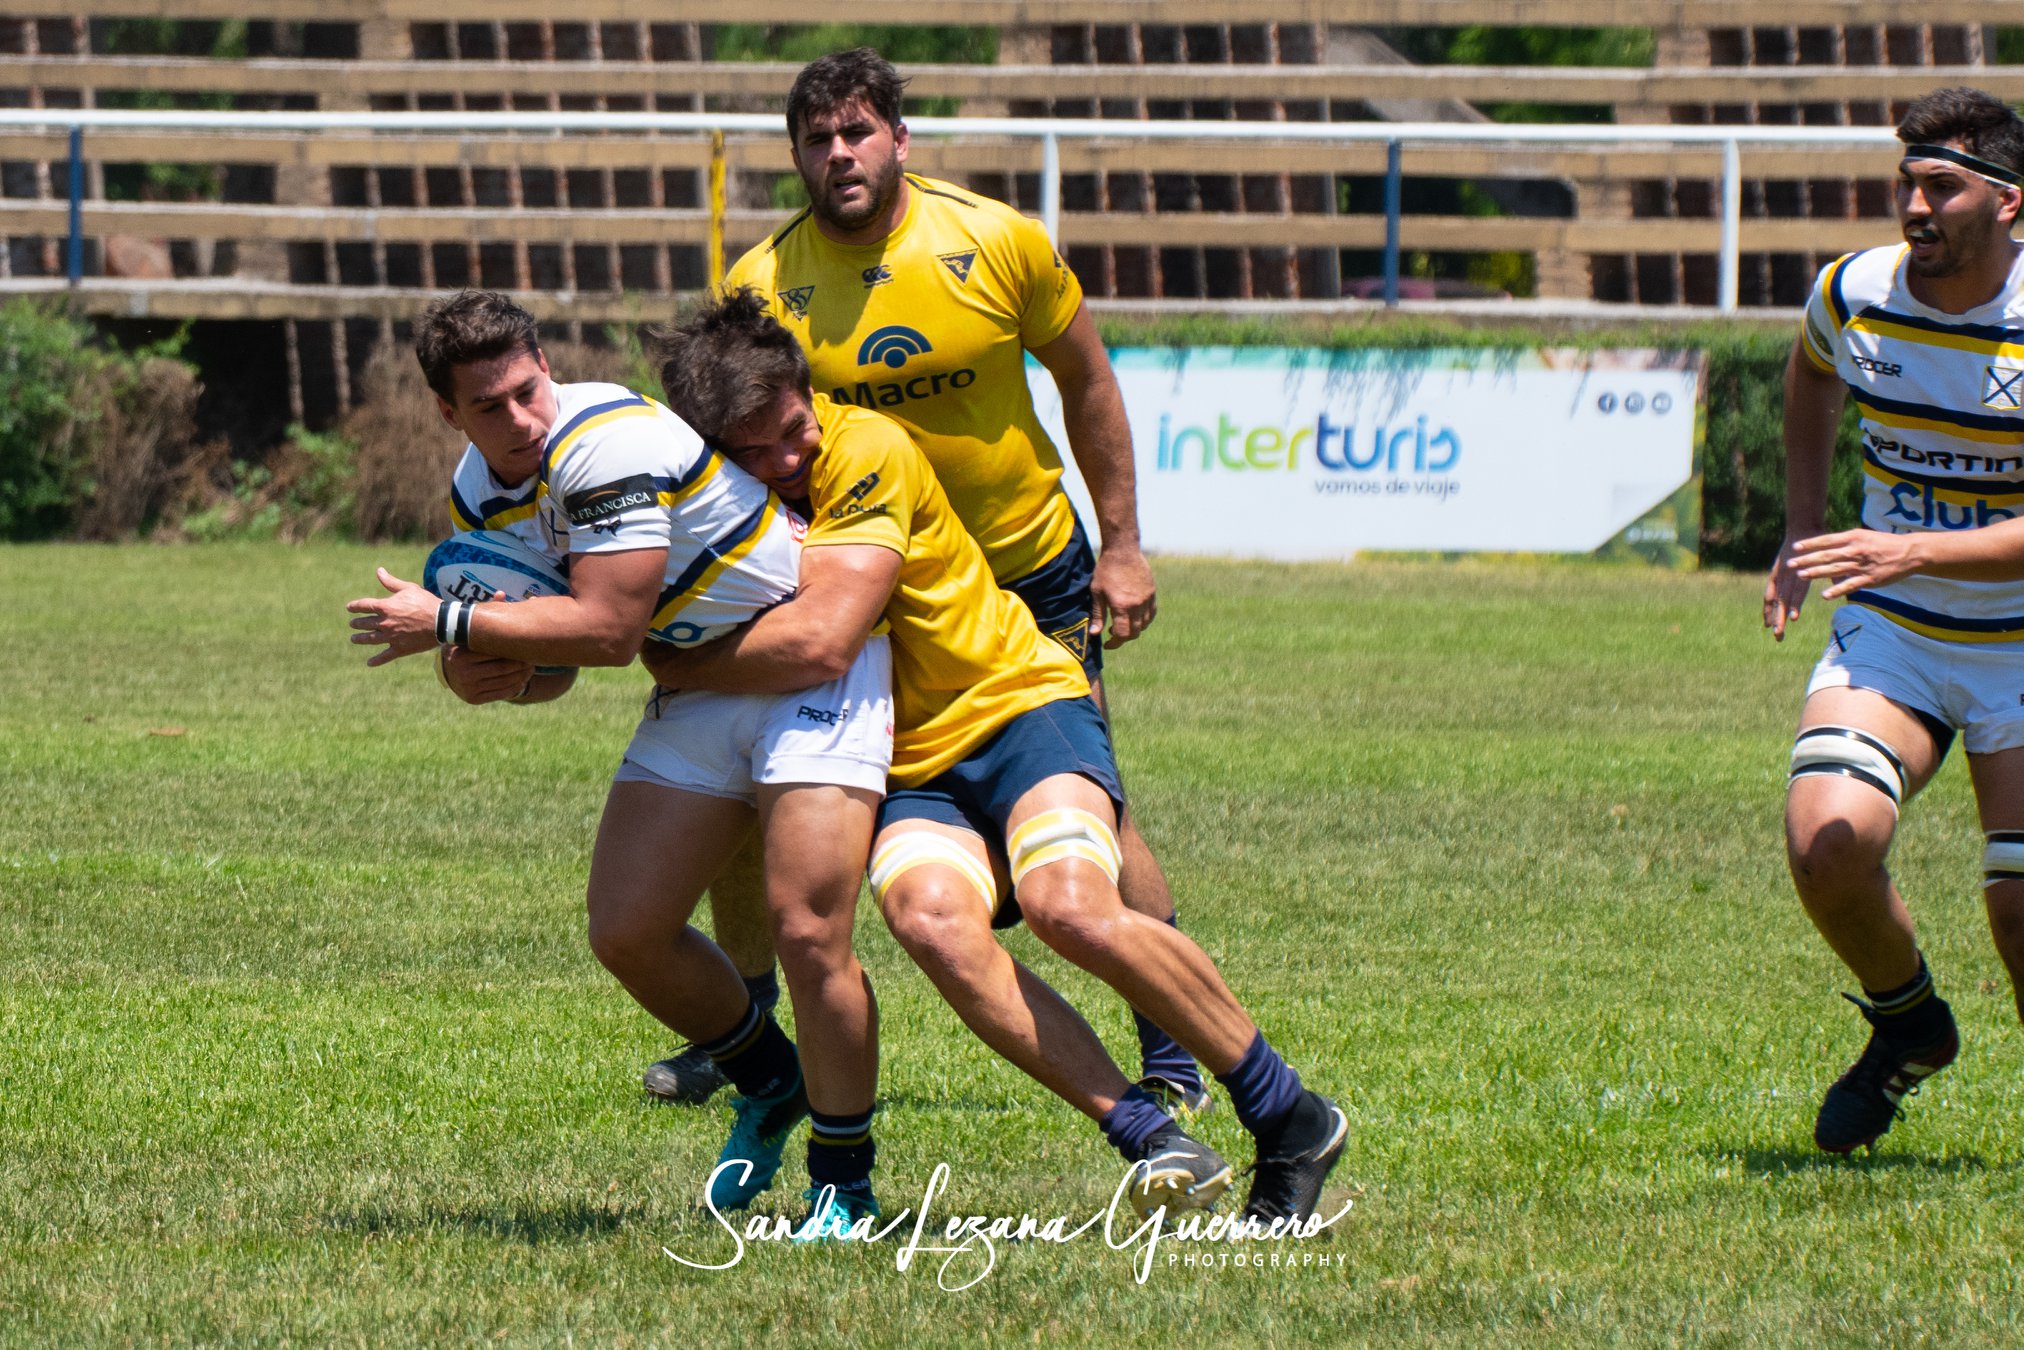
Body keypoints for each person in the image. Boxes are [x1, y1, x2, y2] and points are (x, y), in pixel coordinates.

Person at [640, 289, 1346, 1225]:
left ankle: (1288, 1113)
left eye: (793, 429)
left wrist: (665, 654)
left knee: (1069, 906)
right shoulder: (715, 501)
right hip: (905, 764)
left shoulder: (868, 451)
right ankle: (1145, 1132)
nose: (787, 460)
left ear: (811, 394)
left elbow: (822, 641)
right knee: (931, 922)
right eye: (755, 452)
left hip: (1017, 706)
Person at [646, 45, 1206, 1119]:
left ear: (899, 138)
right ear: (797, 156)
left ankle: (1171, 1048)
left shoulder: (994, 240)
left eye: (857, 132)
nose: (838, 154)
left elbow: (1086, 379)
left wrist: (1122, 542)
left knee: (1084, 795)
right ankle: (746, 1027)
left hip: (1021, 566)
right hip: (857, 577)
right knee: (750, 793)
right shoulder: (764, 284)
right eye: (816, 139)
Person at [344, 291, 892, 1231]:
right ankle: (770, 1083)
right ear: (448, 412)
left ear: (545, 365)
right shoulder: (480, 492)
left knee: (806, 932)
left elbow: (608, 627)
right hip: (701, 679)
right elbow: (559, 662)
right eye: (488, 407)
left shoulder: (606, 444)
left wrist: (447, 620)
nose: (518, 420)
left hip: (804, 659)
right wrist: (494, 677)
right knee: (627, 930)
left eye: (527, 390)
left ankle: (844, 1183)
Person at [1764, 86, 2024, 1154]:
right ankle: (1907, 1024)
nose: (1913, 205)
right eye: (1905, 182)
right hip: (1899, 627)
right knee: (1825, 843)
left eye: (1940, 185)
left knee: (2017, 909)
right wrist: (1797, 526)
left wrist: (1902, 545)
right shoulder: (1856, 290)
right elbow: (1808, 376)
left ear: (2008, 204)